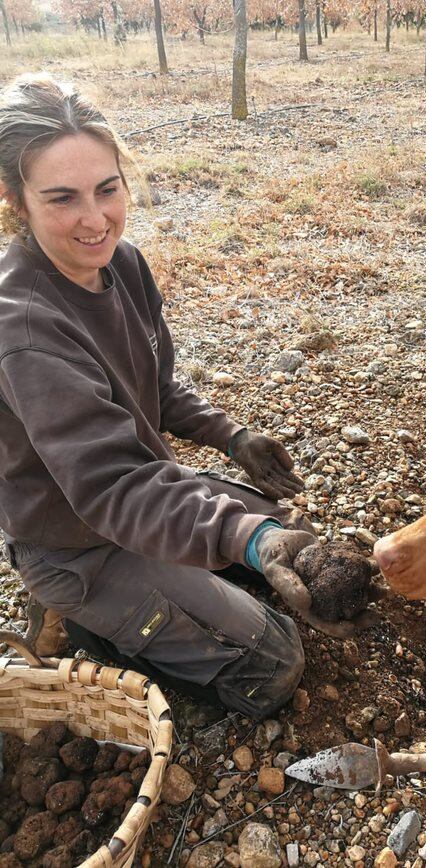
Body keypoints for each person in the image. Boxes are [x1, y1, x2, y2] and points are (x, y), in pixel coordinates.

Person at [0, 73, 373, 719]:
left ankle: (174, 588)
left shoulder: (121, 263)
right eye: (62, 199)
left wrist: (231, 436)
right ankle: (88, 622)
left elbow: (156, 386)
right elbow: (112, 486)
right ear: (14, 200)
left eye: (107, 189)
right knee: (274, 665)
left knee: (294, 541)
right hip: (79, 542)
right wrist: (244, 536)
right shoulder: (24, 330)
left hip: (145, 493)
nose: (95, 220)